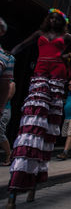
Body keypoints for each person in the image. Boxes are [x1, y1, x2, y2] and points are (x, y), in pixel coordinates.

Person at [7, 8, 71, 208]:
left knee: (47, 123)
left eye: (56, 18)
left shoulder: (65, 36)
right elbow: (22, 45)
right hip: (40, 74)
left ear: (61, 21)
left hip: (57, 76)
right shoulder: (40, 34)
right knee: (34, 117)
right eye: (50, 17)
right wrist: (8, 54)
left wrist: (67, 55)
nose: (52, 20)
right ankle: (17, 188)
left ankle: (32, 186)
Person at [0, 17, 15, 167]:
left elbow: (8, 90)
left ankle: (9, 155)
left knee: (0, 133)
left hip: (4, 109)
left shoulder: (7, 59)